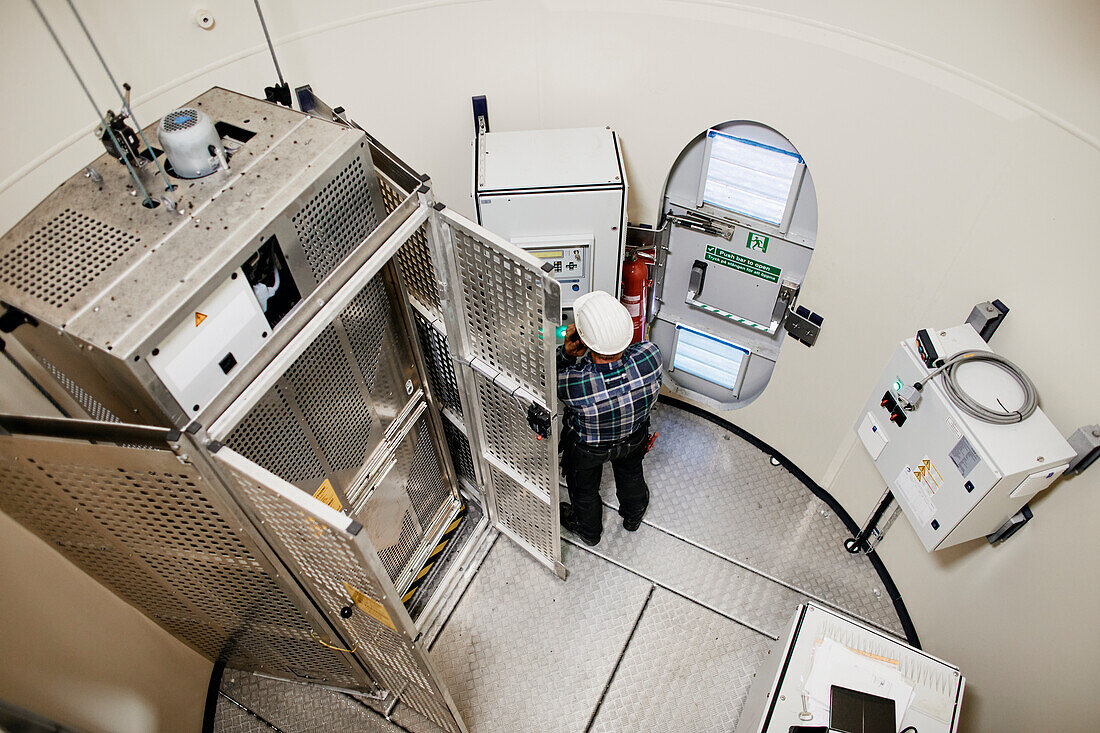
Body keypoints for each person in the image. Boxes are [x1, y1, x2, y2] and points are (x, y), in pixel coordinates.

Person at [557, 290, 662, 546]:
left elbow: (553, 377)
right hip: (633, 438)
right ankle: (633, 518)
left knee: (584, 491)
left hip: (588, 449)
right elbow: (635, 351)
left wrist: (568, 353)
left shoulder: (575, 383)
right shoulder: (651, 356)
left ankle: (589, 533)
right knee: (631, 476)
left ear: (584, 340)